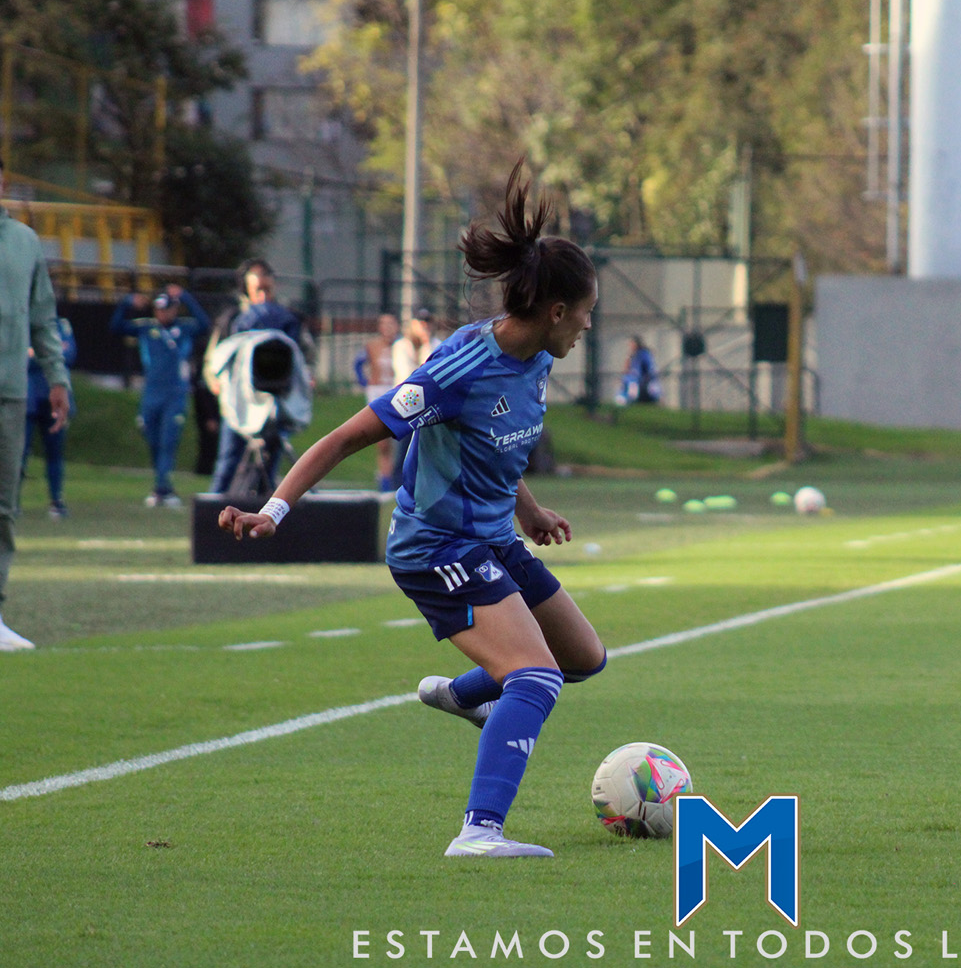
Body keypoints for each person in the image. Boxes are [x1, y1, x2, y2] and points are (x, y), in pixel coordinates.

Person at [218, 160, 606, 857]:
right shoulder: (458, 367)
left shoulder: (538, 357)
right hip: (436, 547)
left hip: (492, 537)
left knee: (582, 657)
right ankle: (479, 832)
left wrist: (528, 509)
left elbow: (495, 444)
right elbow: (345, 437)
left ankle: (465, 696)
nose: (585, 325)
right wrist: (272, 511)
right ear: (555, 311)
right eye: (584, 312)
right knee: (536, 675)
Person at [0, 159, 72, 650]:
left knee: (4, 506)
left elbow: (44, 319)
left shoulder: (24, 241)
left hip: (10, 390)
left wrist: (57, 378)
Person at [208, 260, 309, 494]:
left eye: (267, 289)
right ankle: (213, 508)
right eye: (258, 289)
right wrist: (216, 381)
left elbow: (304, 354)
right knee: (228, 461)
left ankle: (263, 510)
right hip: (240, 401)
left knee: (269, 464)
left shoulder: (288, 319)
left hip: (276, 401)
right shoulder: (233, 318)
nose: (263, 295)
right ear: (247, 288)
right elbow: (215, 356)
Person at [111, 284, 212, 506]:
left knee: (168, 440)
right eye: (159, 309)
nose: (163, 313)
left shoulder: (185, 328)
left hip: (175, 394)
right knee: (152, 438)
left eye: (167, 309)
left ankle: (161, 488)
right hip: (151, 393)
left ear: (175, 309)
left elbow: (205, 324)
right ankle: (164, 486)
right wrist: (127, 302)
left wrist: (186, 297)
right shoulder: (146, 328)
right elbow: (116, 326)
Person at [22, 315, 76, 519]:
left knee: (55, 451)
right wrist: (49, 356)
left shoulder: (61, 324)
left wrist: (36, 354)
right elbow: (18, 358)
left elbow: (69, 354)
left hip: (53, 397)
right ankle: (12, 501)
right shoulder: (22, 322)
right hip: (28, 396)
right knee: (20, 452)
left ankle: (56, 500)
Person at [354, 313, 401, 490]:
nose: (388, 328)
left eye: (391, 324)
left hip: (397, 390)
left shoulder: (402, 345)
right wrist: (366, 383)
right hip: (378, 391)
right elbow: (358, 364)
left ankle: (399, 479)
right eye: (384, 324)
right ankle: (385, 483)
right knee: (383, 442)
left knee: (401, 439)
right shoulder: (373, 346)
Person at [389, 308, 435, 475]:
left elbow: (433, 373)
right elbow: (407, 376)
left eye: (427, 322)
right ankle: (396, 482)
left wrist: (426, 343)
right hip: (406, 402)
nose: (424, 326)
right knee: (401, 451)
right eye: (421, 323)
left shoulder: (436, 345)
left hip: (429, 405)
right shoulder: (401, 346)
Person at [616, 335, 660, 404]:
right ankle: (624, 399)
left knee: (652, 388)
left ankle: (633, 399)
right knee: (627, 381)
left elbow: (649, 368)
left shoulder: (643, 354)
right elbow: (627, 368)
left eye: (632, 344)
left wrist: (646, 376)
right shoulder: (632, 355)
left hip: (643, 379)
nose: (631, 346)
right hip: (633, 378)